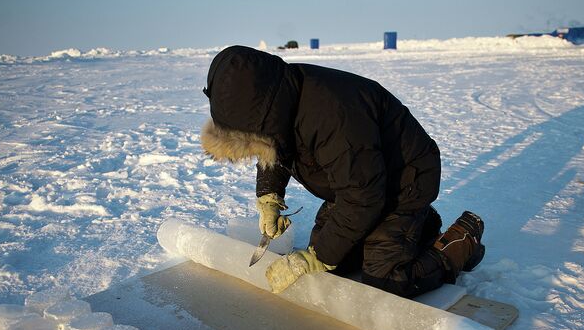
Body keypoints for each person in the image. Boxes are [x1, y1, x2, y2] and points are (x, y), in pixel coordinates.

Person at [201, 45, 485, 298]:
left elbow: (363, 197)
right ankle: (416, 228)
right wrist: (269, 196)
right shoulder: (282, 100)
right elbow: (273, 147)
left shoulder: (333, 115)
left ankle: (460, 242)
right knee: (335, 265)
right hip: (357, 183)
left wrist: (317, 256)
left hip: (405, 182)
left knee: (384, 279)